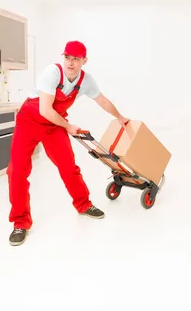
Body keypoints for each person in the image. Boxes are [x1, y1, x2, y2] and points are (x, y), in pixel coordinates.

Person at [7, 40, 130, 246]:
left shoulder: (86, 81)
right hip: (29, 121)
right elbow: (45, 110)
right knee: (17, 171)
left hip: (53, 126)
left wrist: (120, 117)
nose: (70, 63)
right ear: (63, 57)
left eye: (76, 59)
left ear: (84, 61)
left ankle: (84, 205)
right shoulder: (52, 73)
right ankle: (20, 223)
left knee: (68, 166)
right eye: (67, 57)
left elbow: (102, 100)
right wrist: (68, 126)